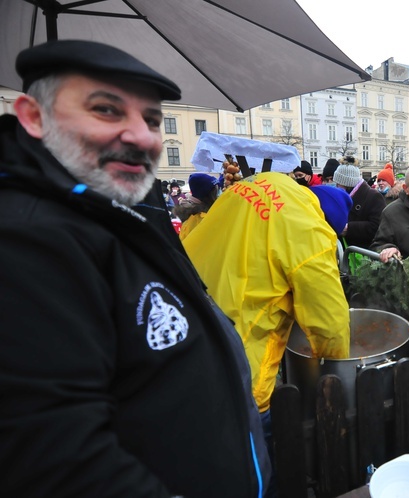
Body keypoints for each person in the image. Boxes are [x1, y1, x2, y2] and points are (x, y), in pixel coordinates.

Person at [0, 39, 270, 497]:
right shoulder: (28, 239)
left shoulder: (106, 210)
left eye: (151, 119)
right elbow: (58, 460)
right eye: (107, 110)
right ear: (32, 116)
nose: (143, 136)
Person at [183, 164, 351, 423]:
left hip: (184, 327)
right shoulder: (311, 231)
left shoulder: (264, 182)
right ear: (329, 224)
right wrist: (336, 369)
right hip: (235, 367)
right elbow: (329, 322)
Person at [333, 162, 386, 249]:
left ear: (347, 183)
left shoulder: (374, 196)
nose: (336, 186)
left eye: (338, 183)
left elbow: (377, 227)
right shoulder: (344, 197)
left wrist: (348, 228)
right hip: (346, 252)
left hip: (364, 255)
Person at [173, 172, 220, 240]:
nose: (218, 194)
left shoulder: (192, 214)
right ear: (209, 194)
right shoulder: (199, 219)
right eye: (216, 191)